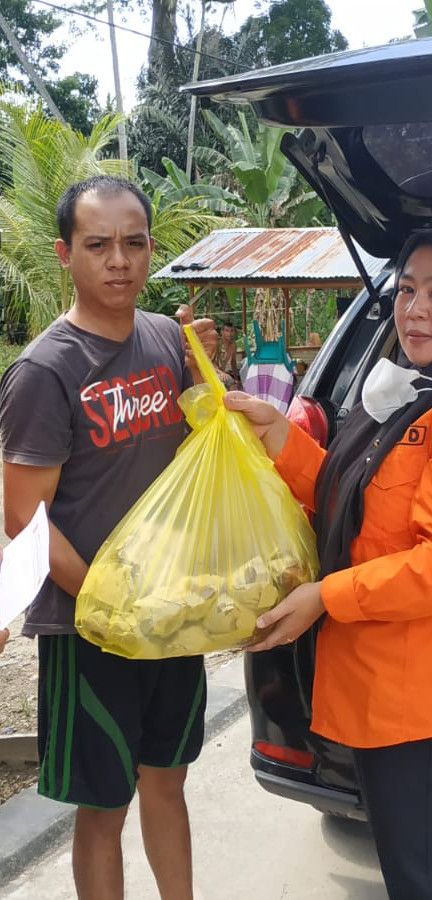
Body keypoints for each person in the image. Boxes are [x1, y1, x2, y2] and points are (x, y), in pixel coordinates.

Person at [225, 226, 432, 899]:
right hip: (384, 686)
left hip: (428, 697)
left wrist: (327, 595)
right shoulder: (412, 397)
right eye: (406, 289)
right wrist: (279, 434)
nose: (415, 308)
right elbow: (354, 503)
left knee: (423, 883)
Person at [0, 175, 217, 900]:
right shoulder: (44, 371)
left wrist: (206, 366)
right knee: (104, 806)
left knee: (169, 779)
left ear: (151, 248)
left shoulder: (164, 337)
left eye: (132, 243)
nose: (118, 260)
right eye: (98, 245)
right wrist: (112, 603)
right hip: (91, 626)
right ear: (65, 253)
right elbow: (24, 517)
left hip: (171, 618)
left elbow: (199, 445)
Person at [214, 319, 240, 389]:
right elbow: (210, 363)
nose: (229, 333)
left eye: (231, 331)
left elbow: (233, 362)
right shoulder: (216, 344)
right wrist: (221, 373)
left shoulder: (233, 345)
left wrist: (236, 378)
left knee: (236, 384)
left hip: (223, 373)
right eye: (227, 331)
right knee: (230, 382)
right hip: (214, 372)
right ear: (222, 332)